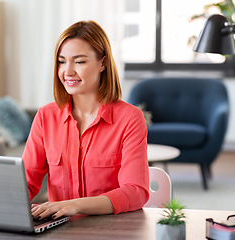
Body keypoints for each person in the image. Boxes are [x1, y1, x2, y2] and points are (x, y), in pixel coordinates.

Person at [22, 20, 149, 220]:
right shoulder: (45, 116)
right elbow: (25, 184)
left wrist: (74, 205)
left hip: (110, 229)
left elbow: (136, 191)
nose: (68, 71)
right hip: (60, 230)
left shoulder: (130, 118)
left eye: (79, 62)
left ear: (103, 63)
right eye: (62, 61)